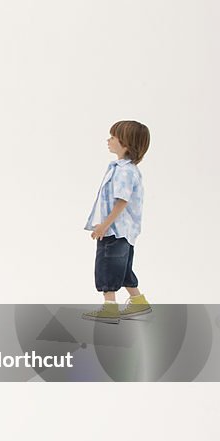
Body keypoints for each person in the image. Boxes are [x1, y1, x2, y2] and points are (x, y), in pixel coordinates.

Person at [82, 120, 151, 323]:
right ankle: (138, 301)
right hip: (123, 230)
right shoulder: (123, 168)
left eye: (113, 137)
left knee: (106, 265)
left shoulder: (124, 171)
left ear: (126, 143)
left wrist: (105, 225)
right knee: (122, 268)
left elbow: (122, 201)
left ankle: (110, 308)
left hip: (116, 230)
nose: (108, 140)